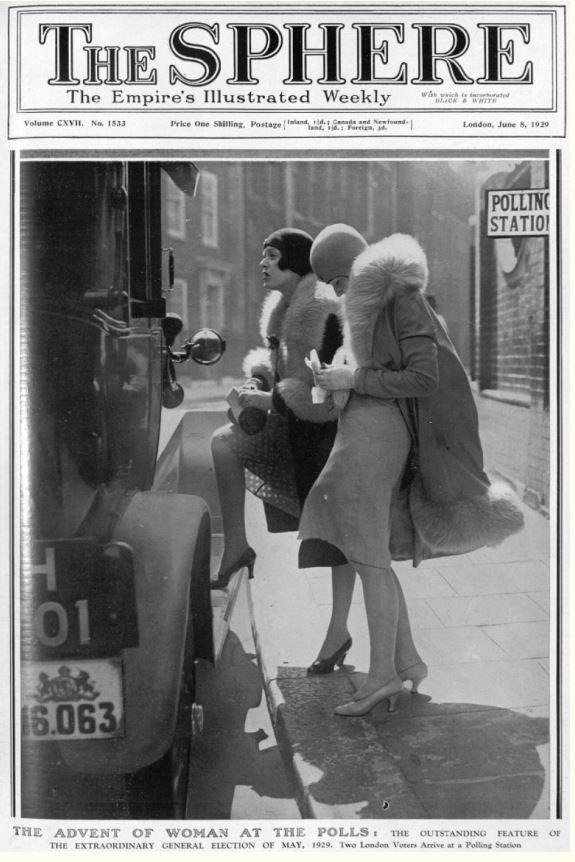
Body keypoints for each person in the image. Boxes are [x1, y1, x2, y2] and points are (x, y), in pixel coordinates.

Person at [299, 224, 524, 716]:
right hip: (370, 434)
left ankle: (383, 678)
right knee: (368, 549)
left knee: (366, 551)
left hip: (381, 441)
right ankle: (406, 662)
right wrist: (339, 377)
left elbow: (424, 377)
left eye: (338, 282)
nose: (338, 294)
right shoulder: (378, 303)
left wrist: (351, 376)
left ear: (352, 270)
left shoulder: (399, 299)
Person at [211, 227, 355, 601]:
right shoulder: (283, 311)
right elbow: (285, 370)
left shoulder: (322, 310)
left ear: (294, 260)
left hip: (329, 442)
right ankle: (237, 548)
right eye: (263, 254)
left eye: (272, 255)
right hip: (296, 432)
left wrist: (272, 399)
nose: (262, 263)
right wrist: (259, 378)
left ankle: (339, 630)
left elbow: (328, 394)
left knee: (340, 542)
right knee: (224, 444)